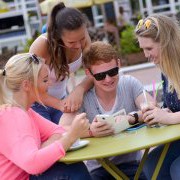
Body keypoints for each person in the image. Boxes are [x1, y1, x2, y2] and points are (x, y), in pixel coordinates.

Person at [60, 41, 154, 180]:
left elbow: (152, 107)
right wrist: (91, 131)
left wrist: (131, 118)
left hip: (133, 164)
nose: (108, 79)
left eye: (113, 72)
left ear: (118, 64)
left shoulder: (129, 83)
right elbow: (60, 129)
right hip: (100, 168)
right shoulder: (84, 97)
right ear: (89, 73)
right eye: (100, 76)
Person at [0, 53, 91, 180]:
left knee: (71, 167)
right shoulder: (13, 116)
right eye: (45, 80)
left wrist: (41, 152)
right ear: (26, 85)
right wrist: (71, 137)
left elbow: (58, 131)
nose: (50, 84)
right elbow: (33, 165)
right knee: (72, 171)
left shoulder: (26, 111)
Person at [29, 2, 92, 124]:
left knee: (75, 136)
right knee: (51, 139)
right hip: (36, 104)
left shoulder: (82, 37)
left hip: (62, 99)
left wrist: (80, 88)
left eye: (82, 39)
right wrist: (60, 104)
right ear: (58, 36)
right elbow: (31, 88)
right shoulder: (41, 46)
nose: (79, 45)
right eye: (72, 42)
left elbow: (95, 71)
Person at [135, 14, 180, 180]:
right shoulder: (166, 69)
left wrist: (169, 117)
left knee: (177, 170)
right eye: (143, 49)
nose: (146, 55)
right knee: (151, 163)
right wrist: (160, 112)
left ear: (167, 43)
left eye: (149, 48)